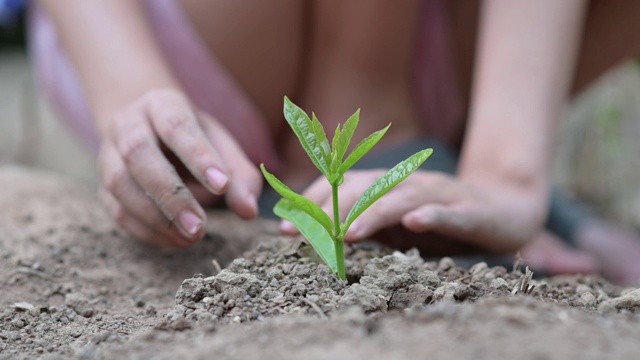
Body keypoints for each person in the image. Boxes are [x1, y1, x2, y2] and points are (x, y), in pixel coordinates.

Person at [31, 0, 640, 284]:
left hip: (461, 63)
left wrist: (509, 168)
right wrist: (127, 88)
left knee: (496, 172)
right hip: (185, 41)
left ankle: (471, 167)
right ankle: (374, 117)